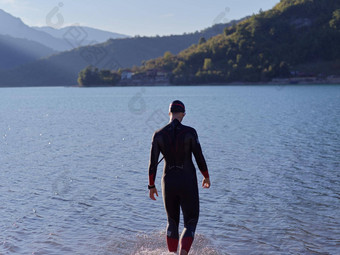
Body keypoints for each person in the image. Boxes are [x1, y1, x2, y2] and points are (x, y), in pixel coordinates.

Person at [148, 100, 211, 255]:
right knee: (190, 222)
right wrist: (206, 177)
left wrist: (151, 186)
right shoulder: (190, 132)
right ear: (183, 114)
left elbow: (152, 164)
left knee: (172, 222)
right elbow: (199, 158)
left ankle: (172, 254)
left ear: (169, 113)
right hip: (187, 180)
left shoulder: (158, 134)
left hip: (168, 181)